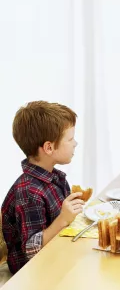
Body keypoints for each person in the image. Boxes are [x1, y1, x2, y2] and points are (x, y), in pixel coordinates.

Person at [1, 101, 84, 275]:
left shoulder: (56, 178)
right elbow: (30, 250)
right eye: (70, 139)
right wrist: (63, 219)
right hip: (30, 272)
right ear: (49, 147)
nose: (75, 143)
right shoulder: (29, 192)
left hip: (56, 253)